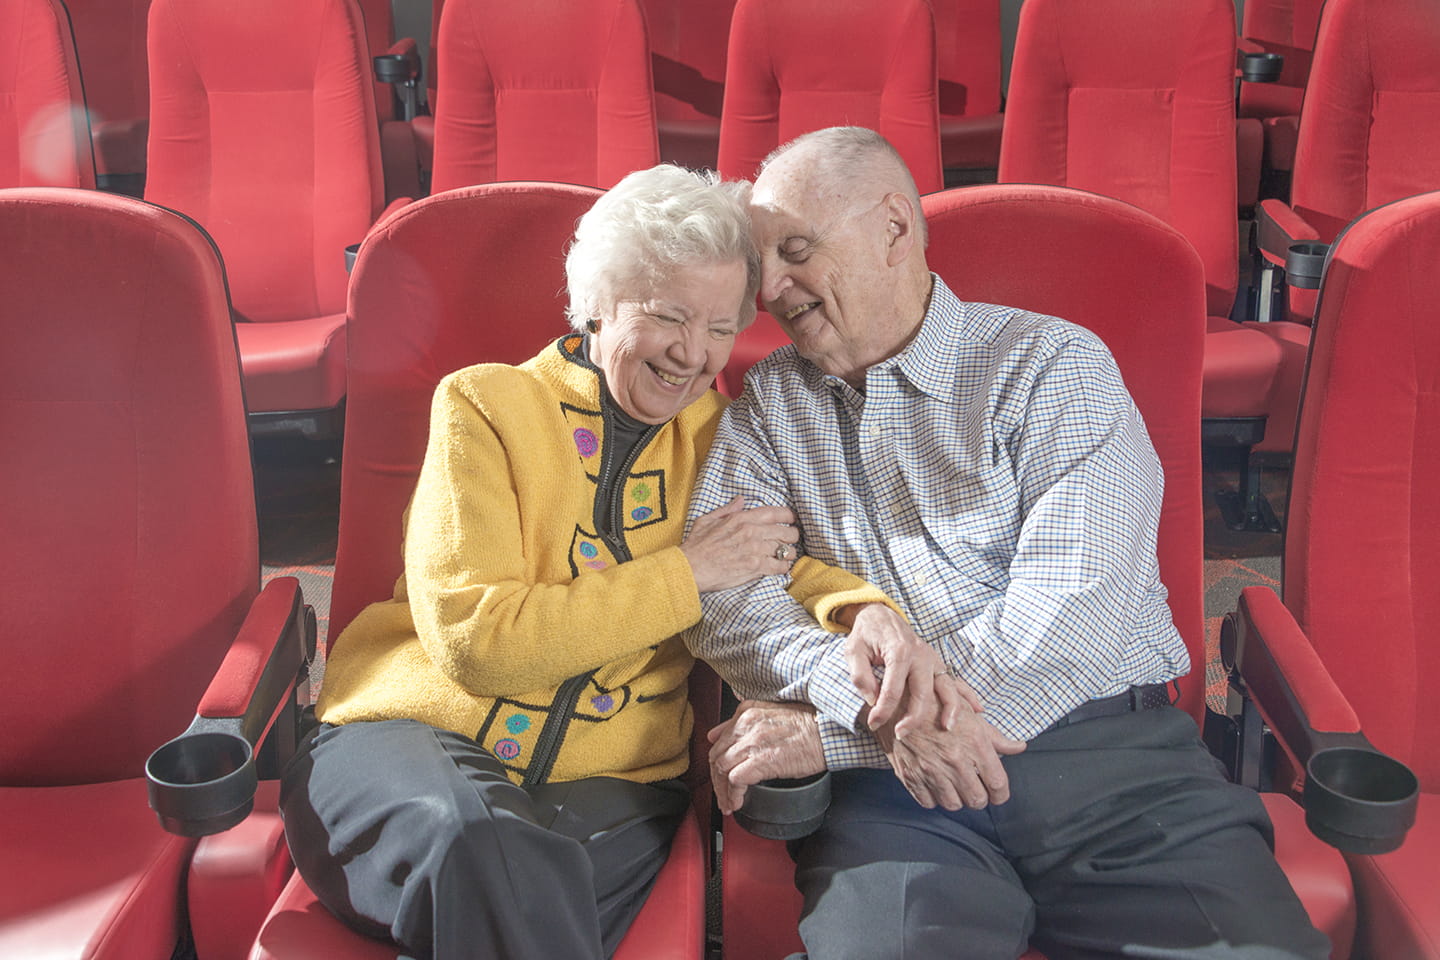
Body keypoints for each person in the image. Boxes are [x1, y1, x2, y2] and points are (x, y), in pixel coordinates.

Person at [686, 127, 1331, 960]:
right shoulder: (770, 402)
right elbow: (723, 599)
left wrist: (833, 734)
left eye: (797, 251)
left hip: (1109, 765)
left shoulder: (1050, 366)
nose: (770, 287)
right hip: (889, 803)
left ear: (892, 227)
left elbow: (1071, 616)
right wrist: (849, 698)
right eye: (761, 263)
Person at [280, 164, 883, 960]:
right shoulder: (485, 407)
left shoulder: (727, 440)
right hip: (407, 748)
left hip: (617, 786)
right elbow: (478, 643)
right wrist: (686, 574)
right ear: (596, 302)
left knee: (518, 886)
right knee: (482, 849)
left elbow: (795, 567)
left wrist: (867, 613)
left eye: (718, 327)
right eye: (668, 315)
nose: (693, 354)